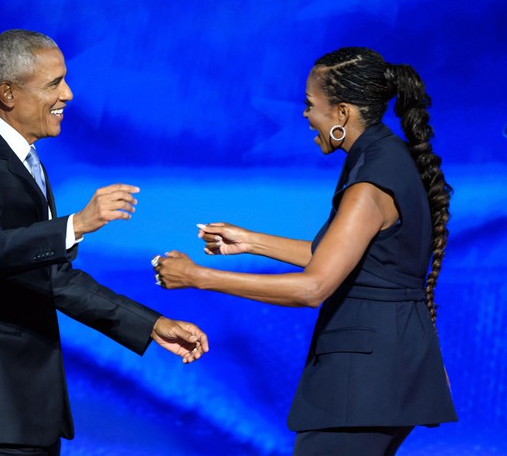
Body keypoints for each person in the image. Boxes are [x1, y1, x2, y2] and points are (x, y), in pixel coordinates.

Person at [153, 47, 457, 455]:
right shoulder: (384, 157)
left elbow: (314, 287)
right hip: (387, 373)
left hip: (363, 384)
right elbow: (345, 258)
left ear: (343, 114)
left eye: (310, 105)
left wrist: (197, 278)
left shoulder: (371, 182)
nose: (305, 115)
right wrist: (251, 242)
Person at [0, 29, 208, 456]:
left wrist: (149, 325)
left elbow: (53, 278)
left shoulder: (20, 161)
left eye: (65, 79)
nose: (69, 94)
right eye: (54, 83)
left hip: (20, 401)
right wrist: (75, 223)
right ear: (8, 93)